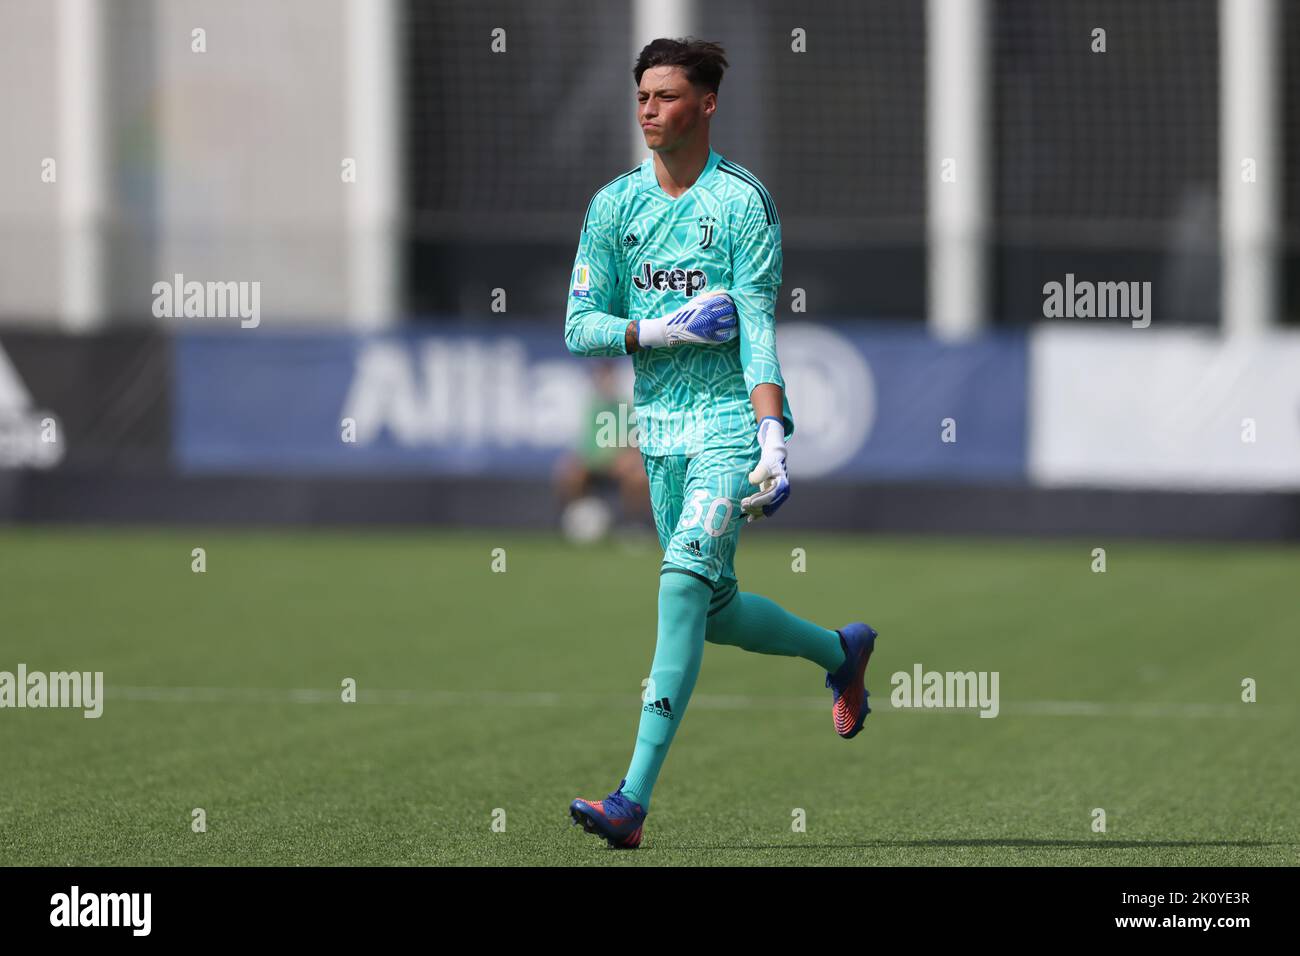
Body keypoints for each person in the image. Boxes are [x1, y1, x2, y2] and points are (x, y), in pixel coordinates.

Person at [562, 37, 877, 849]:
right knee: (715, 608)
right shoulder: (612, 207)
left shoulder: (743, 204)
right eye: (642, 97)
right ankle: (837, 652)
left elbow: (760, 332)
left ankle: (630, 801)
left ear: (705, 105)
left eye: (666, 97)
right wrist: (660, 329)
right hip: (657, 431)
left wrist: (773, 438)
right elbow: (579, 328)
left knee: (676, 588)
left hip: (729, 427)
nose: (648, 111)